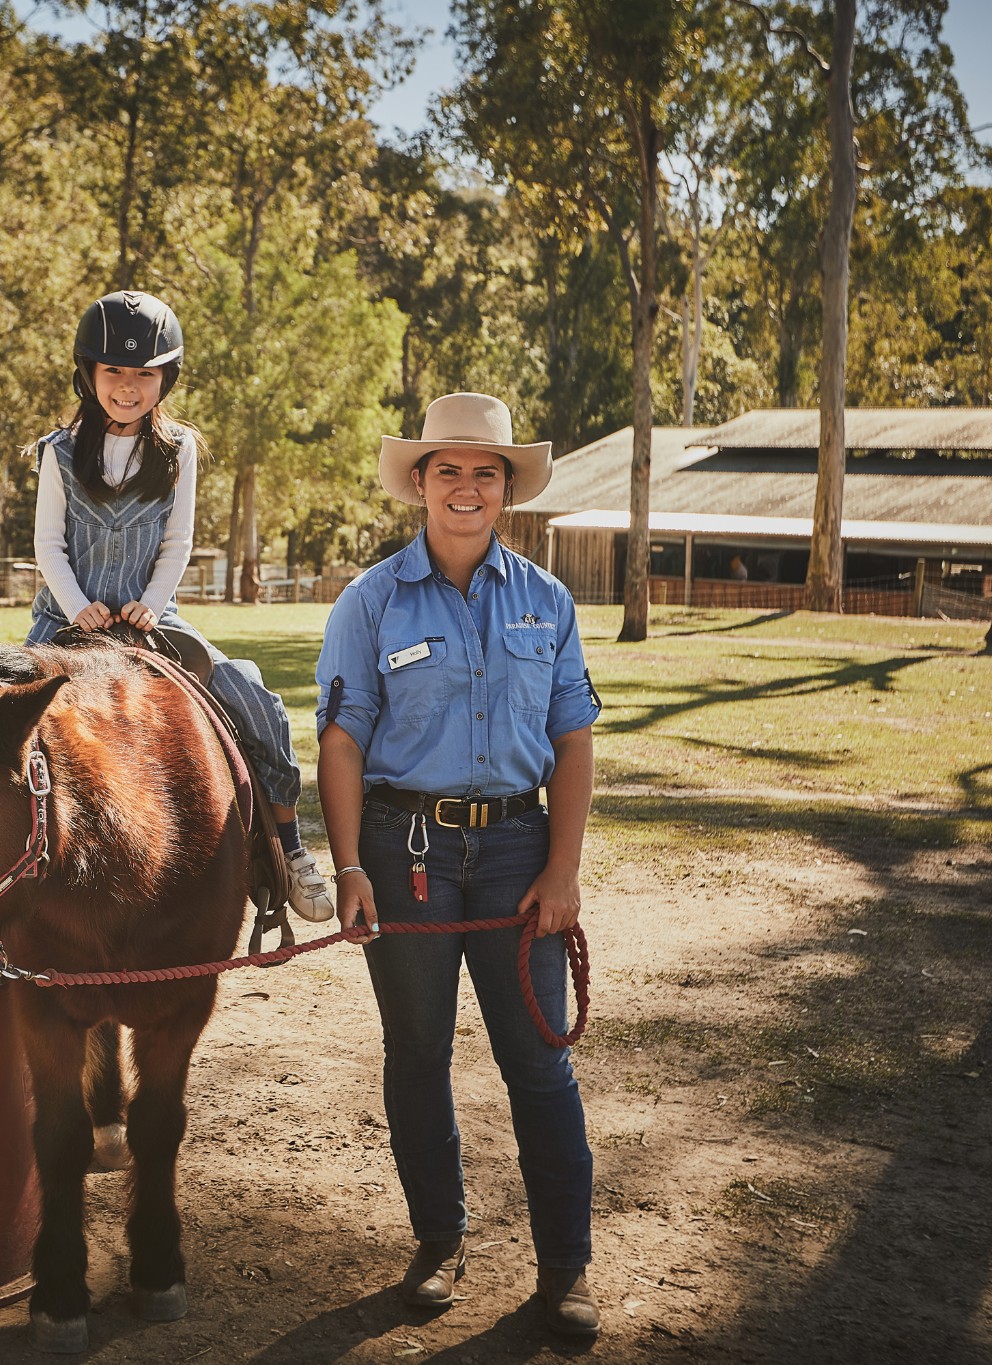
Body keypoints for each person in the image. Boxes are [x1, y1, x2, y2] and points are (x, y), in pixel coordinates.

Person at [315, 392, 602, 1336]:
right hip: (408, 854)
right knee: (418, 1055)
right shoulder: (370, 601)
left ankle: (566, 1268)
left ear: (508, 489)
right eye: (449, 471)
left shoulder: (547, 601)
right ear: (422, 485)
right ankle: (439, 1240)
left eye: (486, 472)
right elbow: (344, 738)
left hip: (521, 847)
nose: (467, 487)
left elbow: (572, 738)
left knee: (541, 1064)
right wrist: (350, 866)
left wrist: (562, 871)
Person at [28, 289, 334, 922]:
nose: (128, 387)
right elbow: (48, 544)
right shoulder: (57, 451)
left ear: (165, 377)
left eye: (144, 374)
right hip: (66, 617)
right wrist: (79, 606)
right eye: (114, 372)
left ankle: (290, 848)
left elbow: (179, 541)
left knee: (253, 695)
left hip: (151, 615)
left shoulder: (179, 450)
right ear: (89, 374)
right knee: (3, 716)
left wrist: (149, 604)